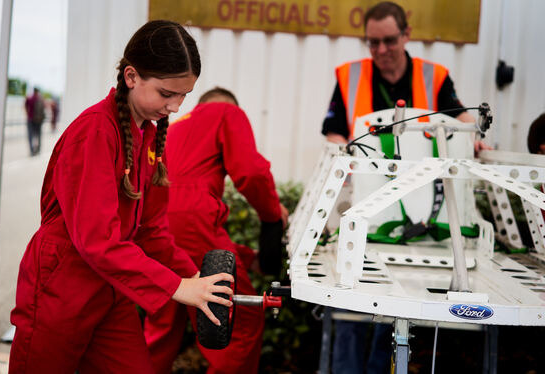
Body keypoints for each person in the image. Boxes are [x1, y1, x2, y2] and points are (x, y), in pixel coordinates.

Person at [9, 20, 235, 374]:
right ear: (132, 77)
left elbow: (151, 232)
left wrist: (196, 281)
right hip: (61, 286)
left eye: (184, 96)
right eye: (166, 94)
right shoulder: (96, 132)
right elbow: (96, 240)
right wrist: (177, 286)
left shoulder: (147, 136)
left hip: (108, 290)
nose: (175, 107)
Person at [321, 2, 485, 373]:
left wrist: (473, 137)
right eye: (372, 42)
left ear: (407, 35)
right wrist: (337, 158)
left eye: (389, 41)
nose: (380, 51)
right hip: (363, 208)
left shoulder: (434, 76)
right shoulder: (349, 75)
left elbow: (460, 118)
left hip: (417, 211)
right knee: (351, 298)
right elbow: (333, 129)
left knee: (391, 303)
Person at [143, 87, 288, 374]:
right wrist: (273, 216)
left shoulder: (170, 129)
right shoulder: (225, 111)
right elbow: (251, 173)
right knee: (240, 322)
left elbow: (182, 229)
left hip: (154, 227)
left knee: (161, 325)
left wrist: (246, 257)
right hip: (190, 224)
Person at [24, 87, 45, 156]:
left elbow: (25, 107)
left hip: (30, 119)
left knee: (30, 136)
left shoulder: (30, 98)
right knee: (38, 135)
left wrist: (28, 114)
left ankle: (32, 151)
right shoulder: (41, 99)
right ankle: (38, 150)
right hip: (39, 121)